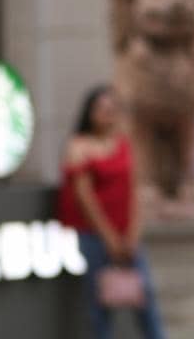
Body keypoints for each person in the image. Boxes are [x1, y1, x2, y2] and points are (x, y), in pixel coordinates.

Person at [56, 84, 166, 339]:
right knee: (98, 305)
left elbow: (134, 190)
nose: (108, 114)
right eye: (102, 109)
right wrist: (109, 238)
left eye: (112, 109)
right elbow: (85, 199)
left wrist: (133, 234)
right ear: (90, 112)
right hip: (94, 238)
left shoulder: (124, 144)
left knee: (145, 299)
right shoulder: (79, 147)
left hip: (128, 238)